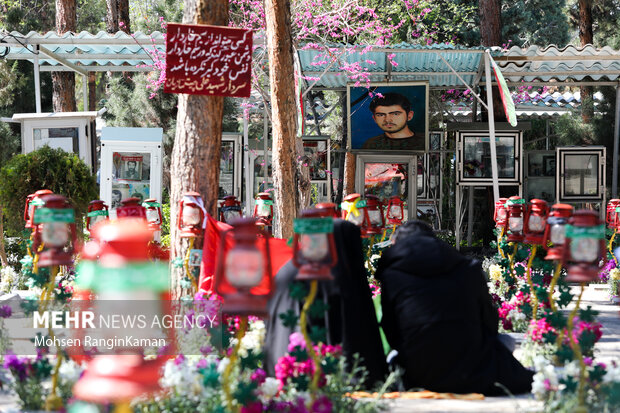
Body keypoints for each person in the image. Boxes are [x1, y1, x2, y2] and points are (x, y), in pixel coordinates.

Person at [375, 220, 533, 395]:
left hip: (419, 372)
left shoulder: (393, 276)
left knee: (390, 357)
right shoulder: (468, 269)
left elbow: (391, 330)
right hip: (474, 369)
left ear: (398, 245)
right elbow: (489, 321)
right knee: (506, 341)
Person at [264, 219, 388, 386]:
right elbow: (354, 342)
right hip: (312, 379)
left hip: (278, 369)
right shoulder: (334, 279)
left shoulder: (290, 268)